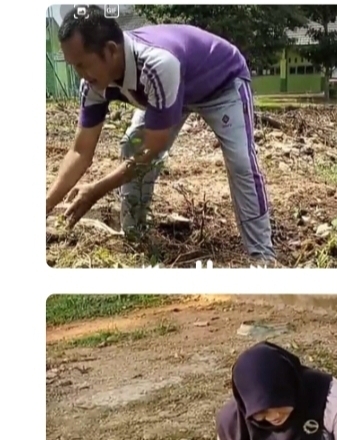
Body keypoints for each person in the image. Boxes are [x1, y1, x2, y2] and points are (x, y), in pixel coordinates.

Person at [47, 6, 274, 263]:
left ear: (110, 51)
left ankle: (262, 257)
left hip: (221, 83)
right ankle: (134, 238)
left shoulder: (156, 65)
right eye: (73, 66)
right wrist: (44, 206)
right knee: (131, 146)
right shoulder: (93, 84)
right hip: (170, 91)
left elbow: (152, 150)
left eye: (82, 65)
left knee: (241, 162)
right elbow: (80, 151)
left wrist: (96, 190)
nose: (81, 75)